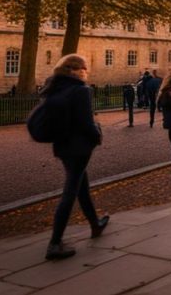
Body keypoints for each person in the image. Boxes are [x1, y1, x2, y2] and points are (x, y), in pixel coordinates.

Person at [42, 54, 109, 260]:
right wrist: (97, 134)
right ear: (74, 70)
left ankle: (95, 224)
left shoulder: (53, 89)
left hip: (62, 146)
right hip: (79, 147)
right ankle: (55, 242)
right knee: (71, 190)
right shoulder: (81, 91)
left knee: (81, 186)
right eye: (84, 68)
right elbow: (85, 123)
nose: (85, 72)